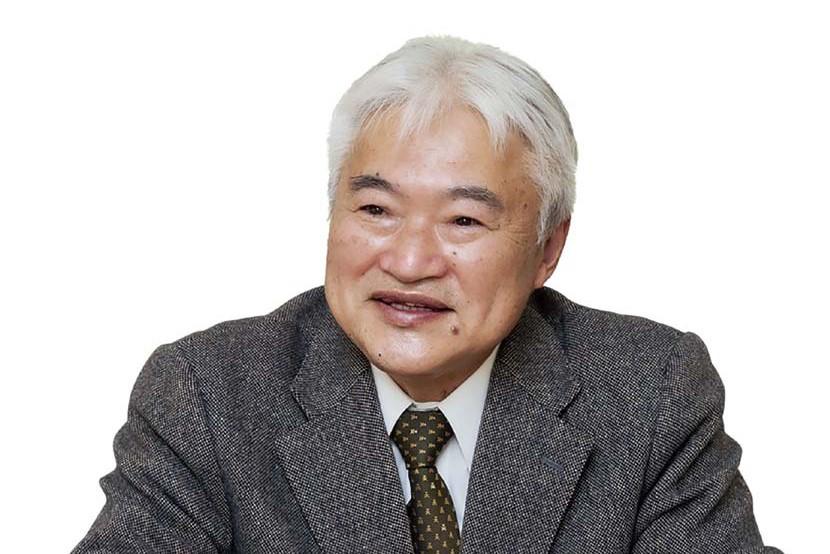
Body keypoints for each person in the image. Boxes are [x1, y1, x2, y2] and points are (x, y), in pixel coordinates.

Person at [73, 36, 782, 553]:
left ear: (547, 250)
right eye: (376, 210)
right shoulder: (208, 396)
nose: (409, 262)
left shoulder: (650, 392)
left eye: (464, 221)